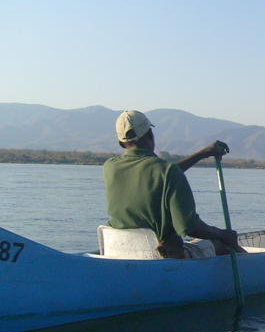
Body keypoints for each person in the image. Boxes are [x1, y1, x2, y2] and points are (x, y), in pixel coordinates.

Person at [103, 110, 244, 258]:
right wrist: (222, 234)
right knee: (223, 245)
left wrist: (202, 153)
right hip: (162, 256)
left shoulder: (109, 167)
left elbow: (161, 174)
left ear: (121, 142)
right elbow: (189, 226)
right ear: (150, 135)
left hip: (118, 252)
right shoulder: (167, 171)